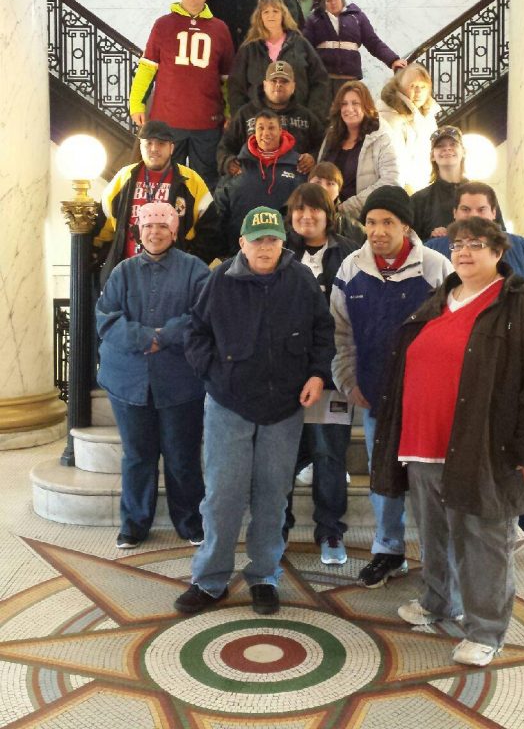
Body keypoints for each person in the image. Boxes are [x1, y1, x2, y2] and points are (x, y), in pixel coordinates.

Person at [372, 217, 524, 667]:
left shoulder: (521, 305)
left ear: (499, 252)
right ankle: (438, 602)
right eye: (458, 244)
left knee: (482, 539)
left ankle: (486, 630)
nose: (463, 251)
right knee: (435, 533)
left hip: (484, 447)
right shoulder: (440, 298)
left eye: (476, 244)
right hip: (423, 444)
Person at [175, 206, 335, 616]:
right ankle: (210, 580)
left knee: (272, 496)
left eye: (272, 239)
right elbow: (195, 331)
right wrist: (213, 374)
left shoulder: (300, 280)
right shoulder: (220, 280)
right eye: (257, 239)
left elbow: (323, 331)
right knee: (223, 496)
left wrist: (318, 374)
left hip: (284, 407)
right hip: (229, 405)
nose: (265, 247)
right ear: (242, 242)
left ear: (283, 242)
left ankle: (264, 575)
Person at [425, 181, 524, 571]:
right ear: (454, 216)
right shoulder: (439, 252)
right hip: (458, 387)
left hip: (513, 383)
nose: (473, 219)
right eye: (464, 211)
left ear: (494, 214)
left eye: (481, 210)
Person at [330, 187, 452, 587]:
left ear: (405, 225)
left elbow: (453, 334)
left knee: (428, 486)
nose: (378, 231)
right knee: (383, 480)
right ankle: (388, 550)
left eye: (387, 222)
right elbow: (340, 335)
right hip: (375, 397)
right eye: (371, 222)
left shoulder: (436, 267)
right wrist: (350, 383)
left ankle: (438, 559)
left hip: (425, 402)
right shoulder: (350, 269)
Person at [96, 202, 210, 548]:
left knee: (182, 455)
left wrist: (165, 335)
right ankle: (134, 524)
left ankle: (190, 521)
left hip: (181, 382)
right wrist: (148, 338)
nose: (155, 232)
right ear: (139, 232)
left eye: (163, 226)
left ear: (174, 232)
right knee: (137, 456)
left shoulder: (195, 270)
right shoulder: (122, 272)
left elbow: (202, 315)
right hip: (128, 382)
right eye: (148, 227)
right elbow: (107, 319)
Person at [283, 183, 357, 564]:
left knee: (329, 453)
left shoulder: (348, 252)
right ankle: (277, 529)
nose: (306, 217)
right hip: (286, 375)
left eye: (314, 210)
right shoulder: (279, 252)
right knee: (281, 455)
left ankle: (330, 531)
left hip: (332, 372)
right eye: (299, 210)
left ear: (329, 214)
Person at [128, 0, 235, 188]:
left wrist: (229, 112)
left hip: (207, 123)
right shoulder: (163, 24)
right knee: (165, 181)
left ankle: (202, 223)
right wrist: (136, 102)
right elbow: (147, 68)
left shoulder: (220, 29)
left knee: (205, 183)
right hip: (168, 123)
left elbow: (227, 79)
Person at [93, 120, 221, 285]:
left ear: (171, 148)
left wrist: (189, 264)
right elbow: (104, 224)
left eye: (161, 144)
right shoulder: (125, 177)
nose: (154, 149)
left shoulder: (191, 180)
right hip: (128, 276)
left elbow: (211, 230)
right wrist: (96, 255)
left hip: (174, 278)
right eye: (148, 143)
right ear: (140, 146)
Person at [228, 0, 330, 122]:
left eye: (275, 11)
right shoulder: (249, 49)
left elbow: (320, 81)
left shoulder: (300, 44)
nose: (271, 16)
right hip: (260, 127)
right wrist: (243, 120)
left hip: (297, 122)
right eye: (266, 12)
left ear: (283, 14)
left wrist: (312, 116)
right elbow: (236, 87)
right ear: (260, 17)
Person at [215, 110, 305, 254]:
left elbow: (303, 211)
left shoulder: (299, 166)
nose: (266, 133)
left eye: (271, 127)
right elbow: (220, 210)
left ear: (281, 130)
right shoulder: (237, 165)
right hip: (238, 253)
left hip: (285, 253)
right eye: (261, 128)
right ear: (254, 132)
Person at [217, 60, 325, 178]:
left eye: (284, 81)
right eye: (274, 81)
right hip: (252, 181)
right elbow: (225, 146)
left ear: (293, 86)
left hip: (295, 184)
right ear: (264, 85)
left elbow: (324, 144)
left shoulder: (306, 117)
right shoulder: (245, 114)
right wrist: (228, 162)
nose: (278, 84)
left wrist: (313, 158)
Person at [302, 0, 406, 97]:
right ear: (324, 3)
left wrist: (393, 60)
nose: (333, 3)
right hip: (323, 81)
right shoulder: (314, 19)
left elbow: (373, 42)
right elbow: (304, 48)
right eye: (328, 0)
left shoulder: (357, 17)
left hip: (350, 80)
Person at [317, 81, 401, 220]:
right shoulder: (332, 135)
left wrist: (347, 208)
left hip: (364, 219)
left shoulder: (381, 136)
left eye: (355, 103)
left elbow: (391, 181)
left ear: (366, 106)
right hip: (327, 216)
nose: (349, 109)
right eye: (344, 104)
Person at [411, 125, 504, 241]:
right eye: (440, 146)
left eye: (453, 144)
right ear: (432, 156)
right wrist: (432, 239)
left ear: (463, 151)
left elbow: (501, 237)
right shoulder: (419, 200)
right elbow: (411, 245)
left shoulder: (484, 193)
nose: (447, 149)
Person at [378, 63, 440, 192]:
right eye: (413, 86)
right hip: (400, 190)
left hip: (421, 186)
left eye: (423, 87)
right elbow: (393, 160)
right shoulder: (390, 116)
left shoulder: (427, 115)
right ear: (399, 87)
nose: (418, 92)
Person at [308, 161, 365, 245]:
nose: (323, 188)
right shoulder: (293, 220)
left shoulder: (356, 229)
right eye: (318, 182)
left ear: (339, 190)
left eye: (330, 183)